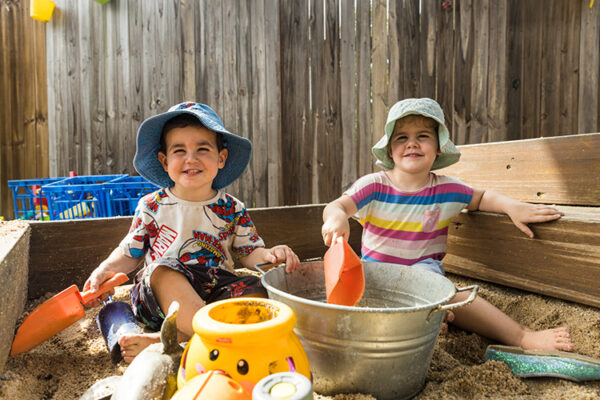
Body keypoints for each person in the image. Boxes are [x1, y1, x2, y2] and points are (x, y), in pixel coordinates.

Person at [321, 97, 573, 352]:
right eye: (401, 138)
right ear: (389, 150)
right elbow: (337, 205)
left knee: (454, 297)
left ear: (439, 146)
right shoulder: (374, 185)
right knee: (359, 300)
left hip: (424, 276)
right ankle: (426, 320)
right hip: (376, 277)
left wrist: (512, 207)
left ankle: (521, 337)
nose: (412, 143)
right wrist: (337, 217)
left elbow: (481, 197)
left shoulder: (446, 189)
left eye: (423, 136)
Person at [84, 102, 300, 363]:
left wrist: (271, 254)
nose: (191, 158)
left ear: (221, 158)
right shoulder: (152, 206)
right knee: (162, 270)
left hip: (214, 290)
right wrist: (102, 270)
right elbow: (130, 253)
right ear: (164, 161)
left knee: (258, 289)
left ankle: (176, 340)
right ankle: (207, 336)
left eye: (202, 149)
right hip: (161, 299)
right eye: (179, 150)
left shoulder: (231, 208)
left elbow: (250, 253)